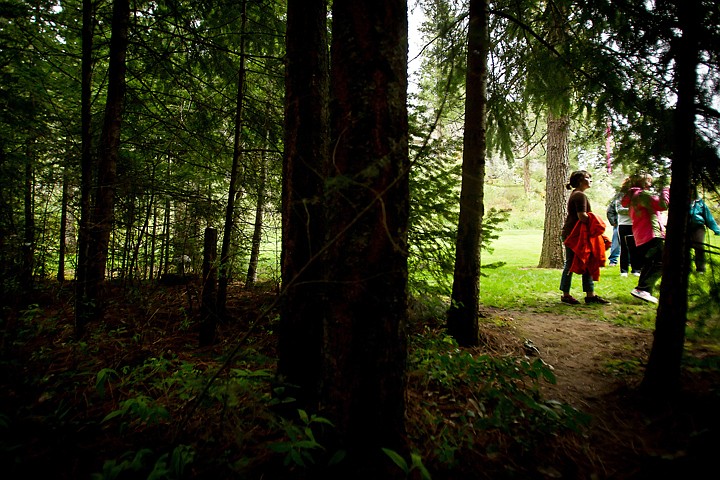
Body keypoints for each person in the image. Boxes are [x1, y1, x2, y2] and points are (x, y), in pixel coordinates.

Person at [559, 170, 611, 305]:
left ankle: (590, 295)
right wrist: (595, 223)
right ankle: (566, 295)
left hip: (575, 233)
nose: (590, 180)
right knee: (570, 263)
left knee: (587, 261)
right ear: (580, 181)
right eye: (588, 178)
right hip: (574, 234)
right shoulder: (580, 196)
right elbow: (582, 216)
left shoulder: (577, 194)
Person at [621, 173, 670, 304]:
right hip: (651, 234)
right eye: (648, 181)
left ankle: (643, 290)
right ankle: (642, 289)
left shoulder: (633, 196)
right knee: (661, 262)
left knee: (651, 263)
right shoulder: (642, 195)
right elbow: (663, 204)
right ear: (641, 182)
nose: (650, 183)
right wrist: (666, 189)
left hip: (642, 235)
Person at [614, 178, 643, 277]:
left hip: (636, 224)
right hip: (624, 224)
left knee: (636, 248)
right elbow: (619, 209)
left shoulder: (639, 194)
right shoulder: (620, 195)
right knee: (624, 247)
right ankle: (623, 270)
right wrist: (633, 209)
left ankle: (636, 269)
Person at [688, 188, 720, 273]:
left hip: (698, 227)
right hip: (686, 227)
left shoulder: (700, 203)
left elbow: (708, 217)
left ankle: (700, 269)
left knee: (699, 246)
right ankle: (687, 268)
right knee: (685, 247)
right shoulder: (682, 202)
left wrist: (716, 230)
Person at [606, 197, 620, 266]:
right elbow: (610, 211)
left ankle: (629, 261)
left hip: (632, 224)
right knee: (616, 243)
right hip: (618, 224)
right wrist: (613, 222)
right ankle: (613, 260)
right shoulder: (617, 198)